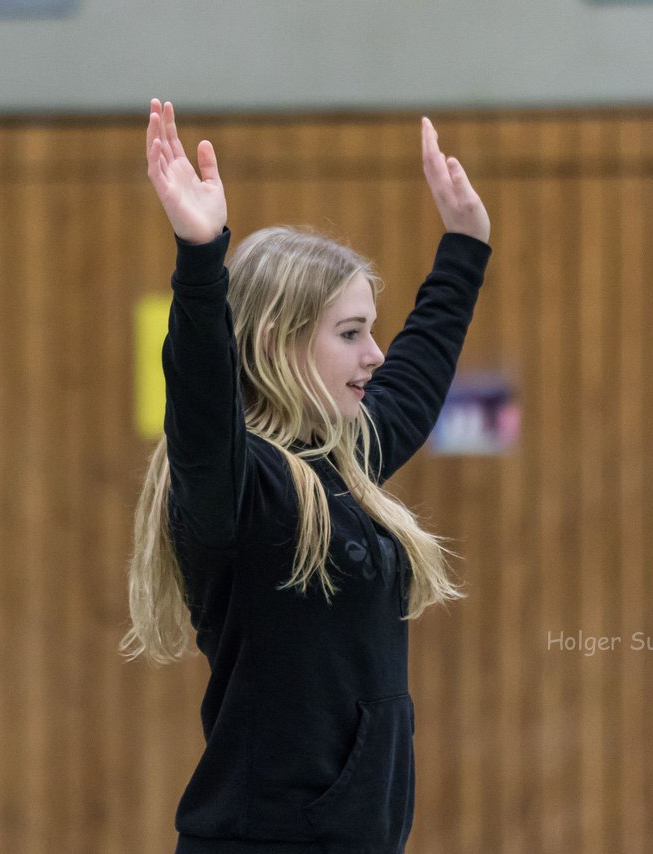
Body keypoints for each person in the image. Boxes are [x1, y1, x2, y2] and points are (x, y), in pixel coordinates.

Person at [124, 98, 492, 854]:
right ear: (276, 343)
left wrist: (464, 247)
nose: (375, 354)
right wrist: (201, 261)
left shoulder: (344, 460)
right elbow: (200, 406)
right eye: (351, 333)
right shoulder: (242, 492)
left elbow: (413, 382)